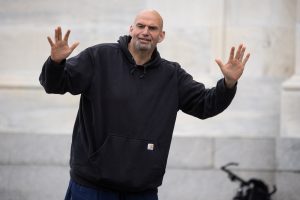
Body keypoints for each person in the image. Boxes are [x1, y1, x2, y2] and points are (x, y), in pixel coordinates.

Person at [40, 9, 250, 200]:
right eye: (140, 26)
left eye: (152, 28)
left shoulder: (172, 75)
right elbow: (55, 84)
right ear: (131, 29)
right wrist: (56, 63)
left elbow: (206, 104)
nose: (145, 32)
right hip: (91, 187)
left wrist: (229, 83)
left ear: (161, 36)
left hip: (142, 192)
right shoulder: (99, 57)